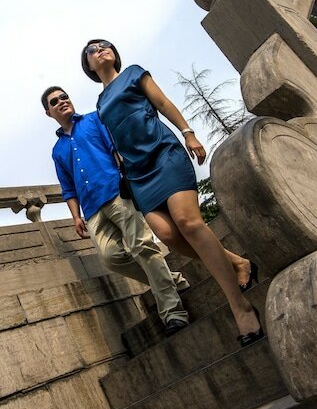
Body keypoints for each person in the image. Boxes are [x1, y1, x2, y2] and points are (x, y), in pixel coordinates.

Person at [81, 39, 264, 347]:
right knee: (168, 235)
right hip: (138, 173)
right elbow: (115, 139)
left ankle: (240, 306)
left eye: (105, 44)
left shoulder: (134, 73)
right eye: (92, 49)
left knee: (188, 222)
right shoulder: (100, 103)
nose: (100, 49)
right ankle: (238, 262)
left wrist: (188, 133)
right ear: (88, 65)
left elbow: (163, 104)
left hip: (163, 153)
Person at [42, 85, 191, 335]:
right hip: (91, 209)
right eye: (54, 101)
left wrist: (129, 179)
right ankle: (171, 280)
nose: (62, 101)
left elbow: (116, 148)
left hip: (116, 193)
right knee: (112, 258)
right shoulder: (57, 151)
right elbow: (67, 187)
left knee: (142, 246)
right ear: (48, 112)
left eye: (64, 97)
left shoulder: (93, 120)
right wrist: (76, 216)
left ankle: (173, 312)